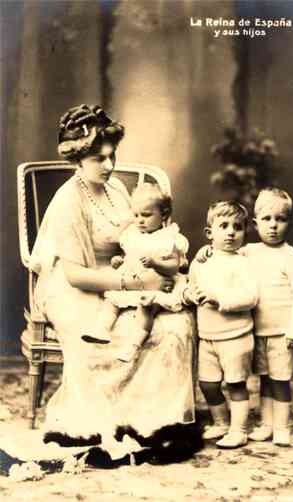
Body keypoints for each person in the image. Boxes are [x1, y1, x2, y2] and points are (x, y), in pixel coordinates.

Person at [29, 104, 195, 460]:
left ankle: (156, 422)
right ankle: (110, 423)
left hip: (126, 275)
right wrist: (130, 284)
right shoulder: (67, 201)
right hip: (80, 286)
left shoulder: (117, 188)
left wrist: (148, 271)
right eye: (98, 159)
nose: (109, 165)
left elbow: (137, 236)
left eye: (111, 155)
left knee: (176, 323)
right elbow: (75, 274)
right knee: (106, 335)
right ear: (77, 159)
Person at [82, 182, 189, 363]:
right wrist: (120, 261)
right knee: (112, 300)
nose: (140, 220)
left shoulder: (168, 238)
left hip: (157, 285)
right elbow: (130, 256)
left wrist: (156, 263)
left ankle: (133, 345)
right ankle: (102, 329)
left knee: (145, 308)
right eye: (136, 215)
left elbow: (174, 266)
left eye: (146, 215)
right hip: (133, 279)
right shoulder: (132, 235)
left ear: (164, 214)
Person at [183, 201, 258, 448]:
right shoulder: (201, 261)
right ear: (209, 233)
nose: (230, 232)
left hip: (235, 336)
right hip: (207, 336)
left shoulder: (243, 262)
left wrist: (220, 299)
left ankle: (239, 430)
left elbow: (250, 297)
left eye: (237, 227)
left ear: (244, 233)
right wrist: (191, 295)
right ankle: (221, 422)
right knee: (208, 383)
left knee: (235, 383)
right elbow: (190, 286)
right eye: (223, 226)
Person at [241, 188, 293, 446]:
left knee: (280, 380)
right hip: (256, 329)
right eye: (267, 219)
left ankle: (281, 427)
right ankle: (266, 424)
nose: (273, 226)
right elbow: (223, 256)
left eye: (280, 219)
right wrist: (207, 254)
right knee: (263, 379)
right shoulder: (248, 251)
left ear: (288, 223)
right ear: (256, 223)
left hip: (282, 333)